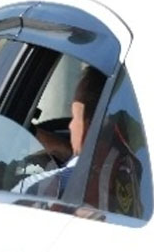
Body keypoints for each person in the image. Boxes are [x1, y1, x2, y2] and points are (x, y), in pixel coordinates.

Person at [12, 66, 106, 196]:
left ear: (90, 127)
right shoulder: (126, 170)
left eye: (74, 117)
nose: (70, 126)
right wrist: (65, 150)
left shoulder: (34, 189)